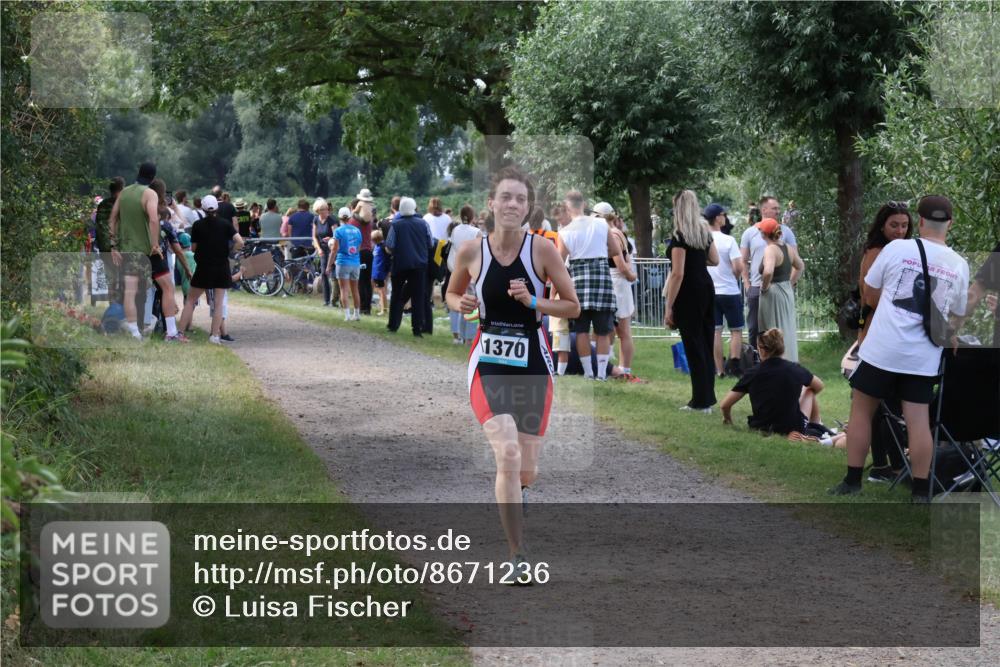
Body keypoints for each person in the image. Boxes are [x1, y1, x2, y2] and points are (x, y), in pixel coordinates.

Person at [446, 166, 580, 581]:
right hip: (487, 361)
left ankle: (518, 495)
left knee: (526, 470)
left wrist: (534, 303)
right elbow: (449, 292)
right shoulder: (472, 250)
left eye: (520, 199)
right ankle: (517, 554)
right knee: (506, 452)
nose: (512, 205)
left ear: (528, 207)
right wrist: (460, 303)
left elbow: (572, 306)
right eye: (506, 197)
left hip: (533, 365)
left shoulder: (542, 251)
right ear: (491, 203)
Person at [829, 195, 970, 502]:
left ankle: (852, 481)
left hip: (883, 348)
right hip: (923, 356)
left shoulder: (897, 248)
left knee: (862, 412)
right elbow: (956, 315)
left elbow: (872, 290)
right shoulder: (960, 264)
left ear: (918, 222)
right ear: (950, 224)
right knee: (918, 420)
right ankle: (920, 492)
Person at [720, 328, 841, 444]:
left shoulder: (753, 373)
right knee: (809, 390)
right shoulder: (795, 369)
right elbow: (819, 386)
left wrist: (727, 419)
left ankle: (816, 425)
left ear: (762, 350)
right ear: (782, 348)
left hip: (761, 427)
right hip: (792, 428)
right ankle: (817, 425)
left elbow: (725, 405)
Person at [108, 162, 185, 341]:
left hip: (128, 251)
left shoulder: (125, 192)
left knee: (130, 292)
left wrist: (113, 246)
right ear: (152, 177)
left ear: (138, 173)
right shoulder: (149, 193)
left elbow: (112, 219)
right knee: (167, 287)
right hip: (149, 252)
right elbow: (152, 219)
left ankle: (135, 333)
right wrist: (155, 245)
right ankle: (172, 332)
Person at [663, 190, 719, 412]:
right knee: (705, 343)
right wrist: (698, 260)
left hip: (688, 292)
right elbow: (714, 260)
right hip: (706, 287)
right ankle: (707, 398)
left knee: (693, 345)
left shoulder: (679, 237)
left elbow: (677, 273)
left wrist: (669, 306)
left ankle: (700, 401)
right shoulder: (703, 232)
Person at [558, 190, 622, 380]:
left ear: (567, 207)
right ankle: (601, 374)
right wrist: (599, 253)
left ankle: (588, 372)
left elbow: (559, 262)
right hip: (601, 278)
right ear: (584, 204)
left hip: (578, 281)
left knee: (581, 330)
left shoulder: (565, 232)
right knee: (603, 330)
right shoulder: (601, 223)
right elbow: (615, 250)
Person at [178, 195, 244, 343]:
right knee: (219, 302)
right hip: (222, 266)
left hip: (203, 267)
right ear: (217, 208)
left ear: (202, 208)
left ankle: (180, 332)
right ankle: (215, 335)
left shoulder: (198, 225)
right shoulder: (226, 224)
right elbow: (240, 241)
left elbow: (194, 248)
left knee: (190, 300)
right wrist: (229, 249)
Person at [740, 196, 800, 348]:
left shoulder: (786, 232)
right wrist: (747, 283)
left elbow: (796, 261)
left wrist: (790, 283)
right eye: (774, 208)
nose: (778, 211)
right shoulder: (749, 233)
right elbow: (743, 260)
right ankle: (755, 360)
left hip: (779, 287)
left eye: (778, 208)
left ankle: (780, 359)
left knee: (779, 326)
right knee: (755, 327)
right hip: (755, 287)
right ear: (763, 210)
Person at [594, 202, 640, 382]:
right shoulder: (618, 233)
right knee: (614, 329)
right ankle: (615, 366)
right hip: (618, 282)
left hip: (616, 283)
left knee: (622, 330)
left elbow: (621, 264)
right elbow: (627, 260)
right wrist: (630, 274)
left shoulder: (612, 233)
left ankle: (624, 369)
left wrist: (630, 276)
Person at [856, 202, 913, 345]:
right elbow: (871, 297)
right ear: (882, 225)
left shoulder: (897, 250)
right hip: (875, 325)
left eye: (904, 225)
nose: (900, 231)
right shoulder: (877, 252)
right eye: (894, 225)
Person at [704, 202, 745, 377]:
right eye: (723, 215)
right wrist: (733, 277)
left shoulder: (703, 240)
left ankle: (719, 369)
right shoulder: (729, 240)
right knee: (736, 330)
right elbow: (738, 266)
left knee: (716, 331)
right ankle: (734, 366)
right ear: (717, 218)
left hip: (711, 291)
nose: (725, 217)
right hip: (729, 290)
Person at [757, 218, 805, 362]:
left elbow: (768, 271)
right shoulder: (787, 248)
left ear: (764, 234)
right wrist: (790, 283)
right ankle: (789, 362)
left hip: (773, 293)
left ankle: (776, 365)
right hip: (786, 291)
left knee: (772, 332)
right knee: (786, 328)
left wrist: (765, 287)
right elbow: (800, 266)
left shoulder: (770, 249)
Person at [386, 197, 434, 336]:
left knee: (396, 294)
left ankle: (393, 325)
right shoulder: (423, 223)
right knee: (418, 297)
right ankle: (417, 329)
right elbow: (430, 243)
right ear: (414, 208)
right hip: (419, 265)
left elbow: (390, 246)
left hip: (400, 263)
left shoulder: (395, 225)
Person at [447, 205, 481, 344]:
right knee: (471, 303)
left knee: (456, 299)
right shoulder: (476, 232)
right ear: (473, 217)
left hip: (455, 268)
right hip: (471, 271)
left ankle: (456, 335)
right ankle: (469, 337)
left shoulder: (455, 230)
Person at [328, 204, 364, 320]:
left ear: (339, 217)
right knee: (355, 289)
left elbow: (334, 250)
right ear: (349, 217)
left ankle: (347, 315)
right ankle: (357, 314)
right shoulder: (357, 230)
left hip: (343, 262)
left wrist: (329, 265)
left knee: (344, 289)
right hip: (355, 262)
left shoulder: (338, 231)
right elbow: (358, 248)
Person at [350, 199, 376, 315]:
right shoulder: (369, 221)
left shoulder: (353, 222)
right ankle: (367, 307)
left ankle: (362, 307)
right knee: (367, 281)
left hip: (358, 253)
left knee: (360, 281)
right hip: (368, 253)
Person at [371, 229, 390, 316]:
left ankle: (384, 309)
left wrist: (388, 270)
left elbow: (388, 257)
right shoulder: (376, 246)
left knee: (382, 290)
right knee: (379, 290)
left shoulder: (383, 246)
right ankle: (382, 304)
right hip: (376, 271)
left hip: (380, 272)